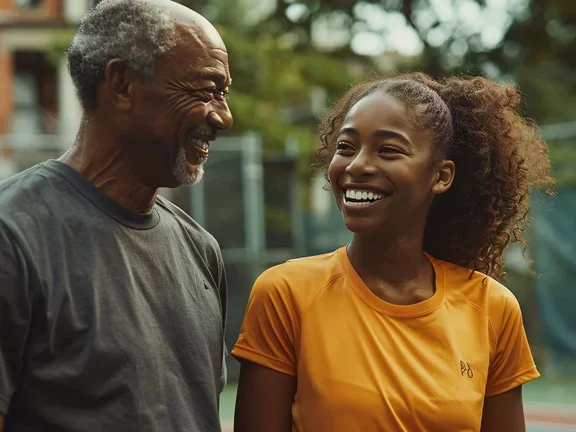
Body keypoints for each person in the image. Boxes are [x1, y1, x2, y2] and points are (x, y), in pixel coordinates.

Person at [231, 72, 554, 431]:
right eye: (346, 147)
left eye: (388, 150)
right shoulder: (285, 292)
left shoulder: (492, 308)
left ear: (441, 176)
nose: (356, 165)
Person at [0, 0, 233, 430]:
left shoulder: (200, 249)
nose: (224, 116)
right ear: (123, 85)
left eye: (224, 93)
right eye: (206, 89)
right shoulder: (13, 234)